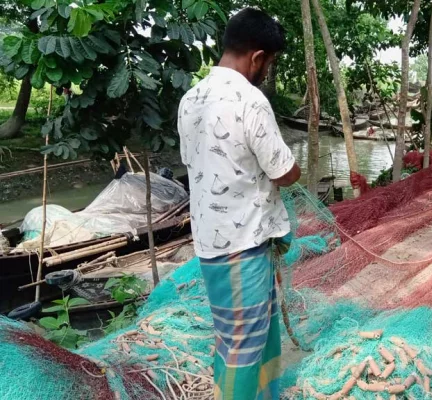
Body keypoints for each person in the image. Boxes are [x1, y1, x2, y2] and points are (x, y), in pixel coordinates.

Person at [177, 8, 301, 399]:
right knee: (242, 349)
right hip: (242, 247)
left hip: (212, 243)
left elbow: (194, 163)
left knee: (248, 336)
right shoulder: (250, 100)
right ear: (257, 57)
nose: (267, 70)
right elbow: (284, 171)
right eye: (271, 63)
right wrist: (293, 170)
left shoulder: (190, 99)